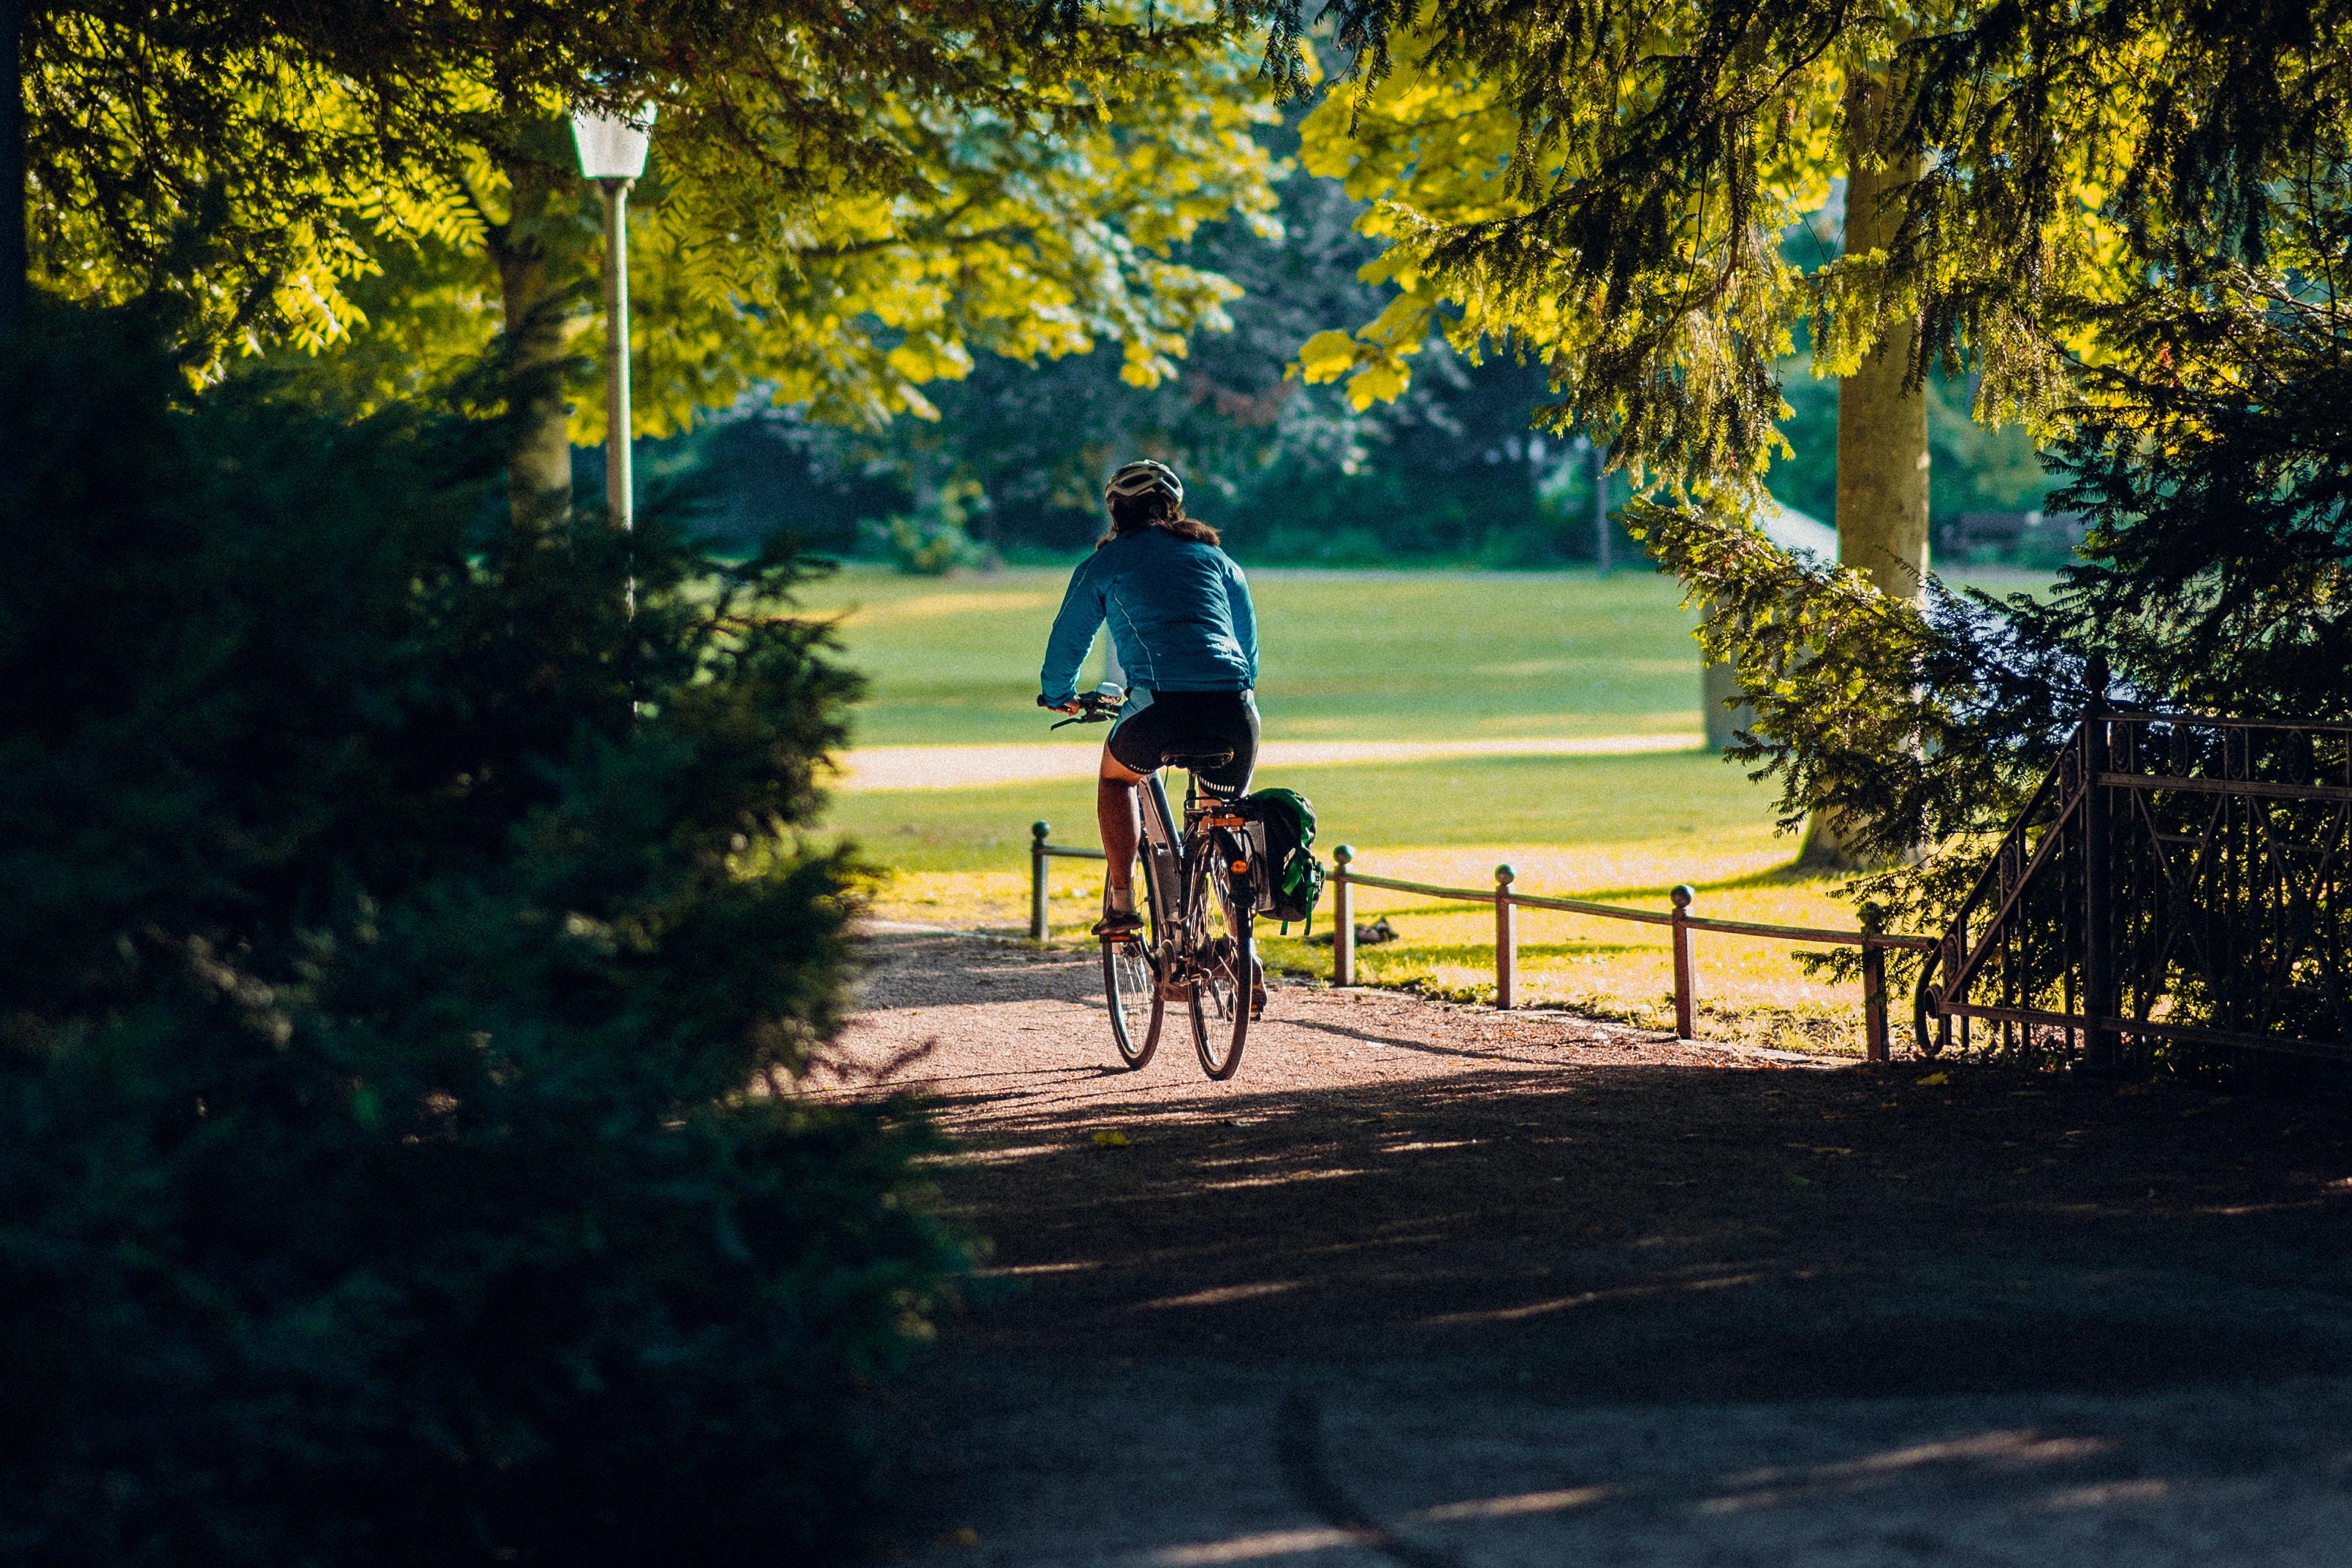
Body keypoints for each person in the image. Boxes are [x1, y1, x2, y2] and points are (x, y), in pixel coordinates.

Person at [1039, 459, 1259, 937]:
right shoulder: (1217, 559)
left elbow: (1069, 638)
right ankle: (1243, 952)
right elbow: (1245, 642)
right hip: (1234, 708)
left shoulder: (1105, 562)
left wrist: (1059, 695)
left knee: (1116, 780)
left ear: (1115, 511)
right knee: (1220, 819)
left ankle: (1121, 905)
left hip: (1159, 706)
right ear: (1173, 508)